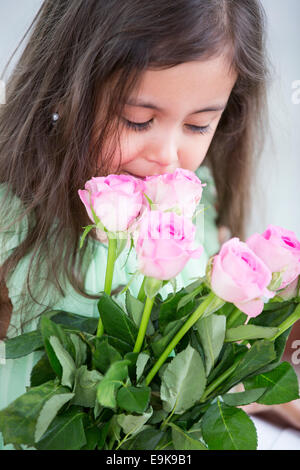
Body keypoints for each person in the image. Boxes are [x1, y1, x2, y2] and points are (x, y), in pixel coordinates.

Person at [0, 0, 298, 450]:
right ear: (65, 90)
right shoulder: (15, 221)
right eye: (137, 121)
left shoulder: (195, 205)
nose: (169, 155)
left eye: (198, 126)